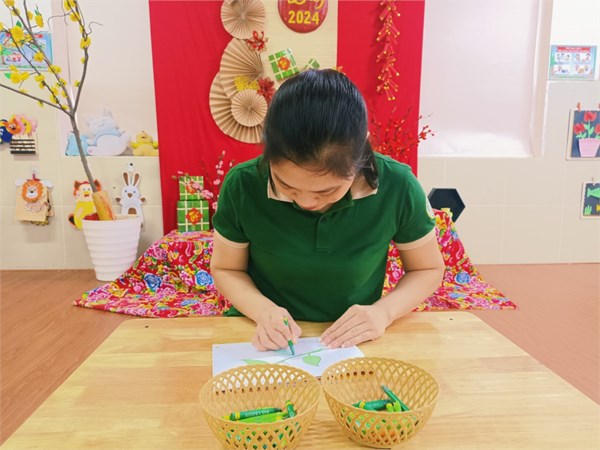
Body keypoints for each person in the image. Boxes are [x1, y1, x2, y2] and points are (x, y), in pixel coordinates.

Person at [210, 69, 445, 352]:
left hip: (353, 341)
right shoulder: (243, 184)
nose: (306, 202)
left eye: (327, 191)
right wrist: (263, 311)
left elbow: (427, 268)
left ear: (360, 153)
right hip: (261, 333)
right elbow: (226, 268)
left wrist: (383, 313)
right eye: (287, 186)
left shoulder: (398, 185)